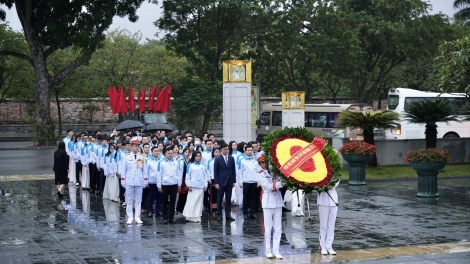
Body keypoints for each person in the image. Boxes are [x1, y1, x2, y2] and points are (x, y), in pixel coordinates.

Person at [257, 155, 283, 259]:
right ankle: (268, 250)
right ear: (259, 163)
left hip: (277, 200)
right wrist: (280, 184)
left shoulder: (273, 171)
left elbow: (278, 180)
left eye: (266, 162)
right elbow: (267, 186)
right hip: (268, 201)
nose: (265, 164)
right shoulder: (260, 174)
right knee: (268, 228)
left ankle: (276, 250)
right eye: (263, 162)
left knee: (278, 227)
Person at [121, 137, 148, 225]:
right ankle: (130, 217)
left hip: (139, 181)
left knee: (138, 200)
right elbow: (123, 170)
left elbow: (145, 170)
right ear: (131, 146)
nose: (137, 148)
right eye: (135, 146)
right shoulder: (126, 157)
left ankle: (137, 217)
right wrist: (123, 180)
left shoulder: (142, 157)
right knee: (129, 200)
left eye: (138, 146)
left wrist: (145, 181)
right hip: (129, 180)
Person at [157, 146, 182, 224]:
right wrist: (159, 186)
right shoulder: (161, 162)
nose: (170, 155)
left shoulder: (176, 162)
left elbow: (179, 173)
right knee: (164, 201)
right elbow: (159, 174)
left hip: (174, 184)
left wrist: (179, 184)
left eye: (172, 153)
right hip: (165, 184)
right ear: (165, 153)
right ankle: (164, 217)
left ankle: (171, 217)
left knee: (173, 201)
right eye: (169, 153)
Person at [182, 151, 208, 222]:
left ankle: (197, 215)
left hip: (201, 186)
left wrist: (205, 185)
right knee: (192, 201)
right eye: (196, 156)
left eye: (199, 156)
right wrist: (189, 185)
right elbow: (188, 176)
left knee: (199, 203)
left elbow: (205, 176)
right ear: (193, 156)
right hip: (193, 186)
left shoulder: (203, 165)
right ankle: (190, 216)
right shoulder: (190, 165)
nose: (198, 157)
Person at [213, 143, 236, 221]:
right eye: (224, 149)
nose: (226, 150)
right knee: (219, 199)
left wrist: (234, 181)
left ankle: (228, 214)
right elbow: (215, 172)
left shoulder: (231, 158)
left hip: (229, 181)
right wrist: (216, 183)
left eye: (227, 149)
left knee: (228, 199)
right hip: (221, 182)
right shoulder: (218, 159)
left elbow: (233, 170)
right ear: (221, 150)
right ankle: (219, 214)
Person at [318, 180, 340, 255]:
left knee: (331, 225)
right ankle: (323, 246)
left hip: (333, 201)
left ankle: (329, 246)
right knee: (323, 225)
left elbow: (337, 182)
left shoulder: (336, 170)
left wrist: (330, 184)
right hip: (322, 201)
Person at [238, 144, 259, 219]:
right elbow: (240, 172)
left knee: (253, 198)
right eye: (248, 150)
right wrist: (240, 182)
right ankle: (245, 212)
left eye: (251, 150)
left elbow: (258, 172)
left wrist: (258, 181)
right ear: (245, 151)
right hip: (246, 181)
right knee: (246, 198)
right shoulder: (242, 161)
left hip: (254, 181)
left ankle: (252, 212)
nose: (250, 152)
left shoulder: (255, 161)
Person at [176, 147, 191, 214]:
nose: (187, 153)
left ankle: (187, 209)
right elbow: (179, 172)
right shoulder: (181, 161)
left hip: (189, 179)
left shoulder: (191, 161)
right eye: (186, 152)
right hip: (182, 179)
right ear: (183, 153)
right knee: (182, 194)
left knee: (188, 195)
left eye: (188, 152)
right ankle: (179, 209)